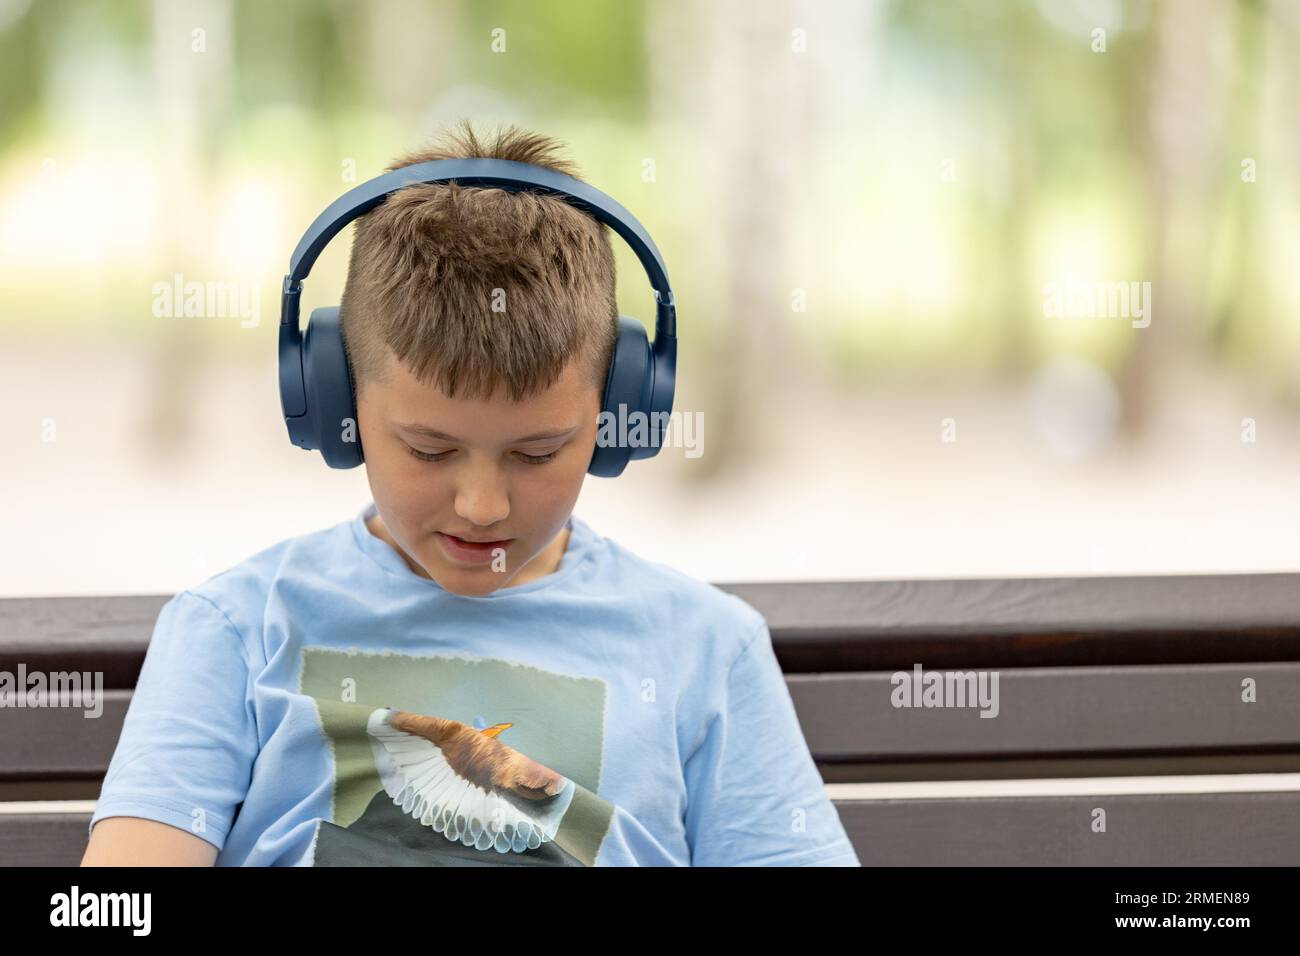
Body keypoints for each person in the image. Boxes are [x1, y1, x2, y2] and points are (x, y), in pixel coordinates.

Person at [80, 120, 860, 867]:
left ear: (621, 417)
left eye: (537, 452)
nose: (483, 505)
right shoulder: (237, 631)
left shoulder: (707, 650)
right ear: (336, 405)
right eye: (429, 449)